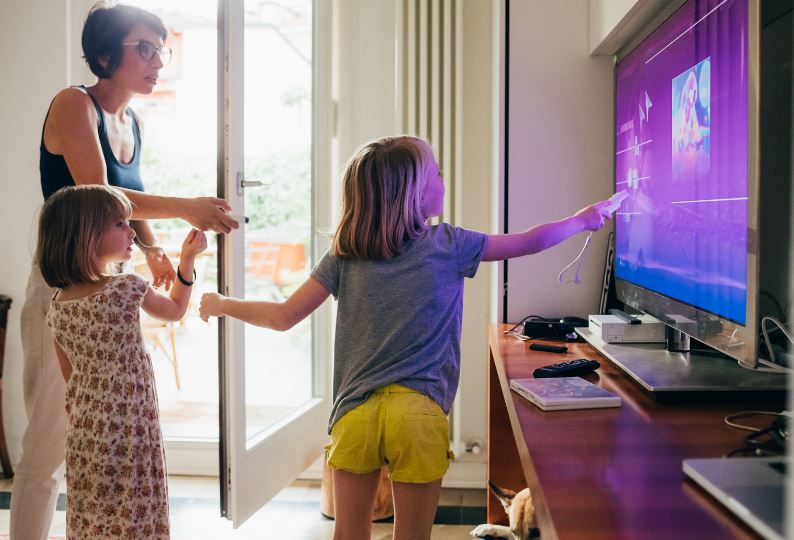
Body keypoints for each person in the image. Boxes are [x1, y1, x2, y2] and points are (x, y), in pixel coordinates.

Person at [198, 135, 613, 540]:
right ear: (414, 194)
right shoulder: (449, 243)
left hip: (355, 415)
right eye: (436, 172)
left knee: (348, 531)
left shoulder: (345, 252)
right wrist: (583, 220)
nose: (443, 179)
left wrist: (221, 304)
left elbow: (283, 316)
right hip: (420, 414)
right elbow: (528, 242)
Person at [10, 4, 238, 538]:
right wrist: (184, 206)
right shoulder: (74, 104)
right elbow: (102, 196)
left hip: (106, 281)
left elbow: (121, 212)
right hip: (60, 290)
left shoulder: (131, 121)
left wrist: (154, 249)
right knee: (46, 450)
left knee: (100, 436)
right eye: (146, 48)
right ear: (107, 54)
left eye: (162, 49)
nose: (158, 60)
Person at [37, 184, 206, 539]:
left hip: (87, 433)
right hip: (130, 429)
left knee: (95, 514)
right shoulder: (127, 287)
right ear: (86, 234)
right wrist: (186, 262)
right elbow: (175, 310)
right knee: (136, 513)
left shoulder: (57, 305)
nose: (132, 232)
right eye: (120, 224)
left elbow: (71, 378)